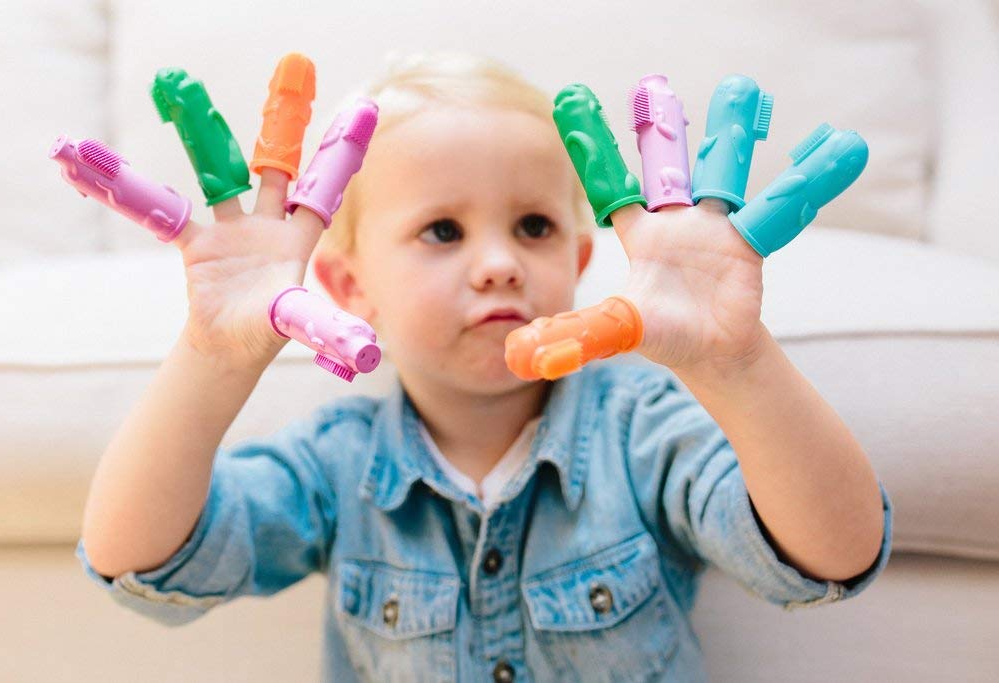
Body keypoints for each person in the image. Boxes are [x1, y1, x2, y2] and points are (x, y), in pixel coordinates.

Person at [77, 52, 892, 681]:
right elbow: (139, 559)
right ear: (351, 285)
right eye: (442, 231)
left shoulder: (638, 427)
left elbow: (832, 554)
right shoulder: (336, 461)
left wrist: (737, 362)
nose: (500, 263)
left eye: (534, 226)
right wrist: (212, 356)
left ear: (578, 261)